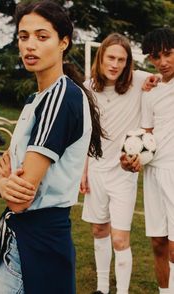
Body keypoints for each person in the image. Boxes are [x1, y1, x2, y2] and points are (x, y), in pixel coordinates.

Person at [0, 1, 104, 294]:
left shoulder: (60, 98)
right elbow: (4, 174)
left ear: (63, 42)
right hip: (23, 242)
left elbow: (18, 199)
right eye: (24, 37)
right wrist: (1, 182)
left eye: (41, 36)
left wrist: (0, 182)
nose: (30, 45)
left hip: (34, 249)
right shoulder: (36, 100)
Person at [80, 33, 158, 294]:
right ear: (101, 57)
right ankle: (102, 288)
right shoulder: (87, 87)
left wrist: (154, 80)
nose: (115, 64)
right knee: (99, 230)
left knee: (120, 237)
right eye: (111, 58)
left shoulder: (138, 81)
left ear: (128, 63)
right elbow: (85, 134)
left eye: (121, 60)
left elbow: (161, 78)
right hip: (96, 170)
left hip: (123, 173)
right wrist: (84, 170)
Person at [122, 27, 174, 294]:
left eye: (168, 54)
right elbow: (147, 135)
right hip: (153, 174)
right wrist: (133, 158)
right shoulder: (150, 92)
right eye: (156, 57)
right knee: (158, 244)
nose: (162, 62)